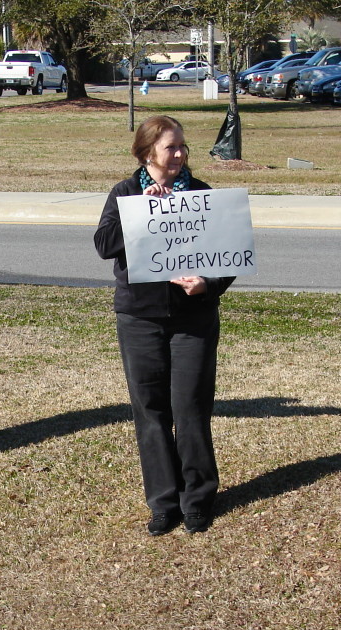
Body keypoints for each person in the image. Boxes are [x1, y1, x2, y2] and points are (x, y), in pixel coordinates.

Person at [93, 116, 235, 535]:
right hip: (140, 318)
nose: (179, 155)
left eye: (182, 147)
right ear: (147, 152)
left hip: (193, 319)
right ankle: (163, 502)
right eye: (171, 147)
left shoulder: (202, 195)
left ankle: (198, 498)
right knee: (151, 412)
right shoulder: (124, 193)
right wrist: (143, 212)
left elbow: (229, 256)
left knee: (190, 408)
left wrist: (207, 285)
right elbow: (104, 246)